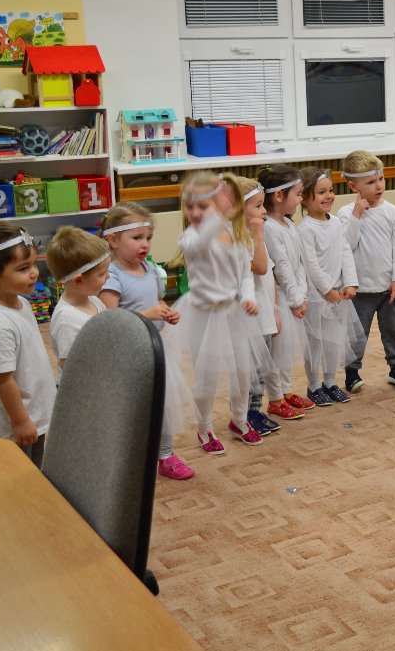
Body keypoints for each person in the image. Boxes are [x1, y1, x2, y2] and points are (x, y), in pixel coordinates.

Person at [163, 171, 273, 453]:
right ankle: (205, 428)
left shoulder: (237, 234)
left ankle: (239, 420)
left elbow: (245, 274)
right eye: (194, 206)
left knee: (243, 372)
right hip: (204, 313)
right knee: (207, 376)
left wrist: (248, 297)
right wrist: (217, 211)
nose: (198, 212)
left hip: (235, 312)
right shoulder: (192, 236)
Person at [98, 203, 193, 479]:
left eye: (148, 238)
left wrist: (165, 311)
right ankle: (127, 457)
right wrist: (147, 314)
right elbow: (111, 318)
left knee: (162, 403)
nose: (145, 244)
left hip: (155, 346)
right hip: (127, 352)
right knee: (132, 407)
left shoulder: (149, 269)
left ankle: (166, 454)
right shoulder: (112, 275)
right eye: (136, 237)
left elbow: (157, 300)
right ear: (113, 240)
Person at [0, 223, 56, 467]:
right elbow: (3, 380)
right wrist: (20, 421)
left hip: (34, 412)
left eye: (34, 264)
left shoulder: (22, 303)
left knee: (35, 470)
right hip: (14, 423)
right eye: (23, 268)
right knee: (19, 474)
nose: (34, 273)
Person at [337, 150, 395, 391]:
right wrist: (357, 214)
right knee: (358, 334)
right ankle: (352, 373)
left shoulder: (393, 211)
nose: (379, 186)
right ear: (353, 186)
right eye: (370, 182)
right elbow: (347, 245)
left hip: (388, 287)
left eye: (380, 179)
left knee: (392, 330)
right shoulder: (346, 213)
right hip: (361, 289)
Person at [297, 166, 360, 404]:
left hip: (339, 293)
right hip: (317, 296)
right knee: (315, 343)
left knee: (334, 341)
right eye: (321, 192)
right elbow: (311, 265)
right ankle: (314, 385)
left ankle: (331, 381)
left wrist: (351, 282)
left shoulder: (336, 223)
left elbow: (346, 252)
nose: (329, 196)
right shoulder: (305, 229)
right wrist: (326, 290)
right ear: (304, 198)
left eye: (331, 190)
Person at [259, 164, 316, 420]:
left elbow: (299, 263)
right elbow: (281, 268)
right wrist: (294, 300)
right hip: (280, 299)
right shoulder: (269, 228)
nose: (301, 199)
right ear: (279, 195)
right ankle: (275, 398)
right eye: (298, 194)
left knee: (287, 353)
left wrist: (301, 295)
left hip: (293, 297)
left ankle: (286, 389)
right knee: (277, 353)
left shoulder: (290, 225)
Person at [227, 175, 281, 438]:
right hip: (246, 319)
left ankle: (255, 410)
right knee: (247, 371)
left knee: (261, 369)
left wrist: (276, 310)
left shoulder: (254, 237)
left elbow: (270, 274)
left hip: (264, 314)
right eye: (258, 206)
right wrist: (258, 236)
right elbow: (259, 268)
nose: (264, 211)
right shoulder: (236, 240)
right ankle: (242, 415)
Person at [45, 226, 110, 376]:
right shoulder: (67, 319)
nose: (108, 277)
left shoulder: (94, 300)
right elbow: (70, 367)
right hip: (82, 386)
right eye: (102, 274)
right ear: (79, 281)